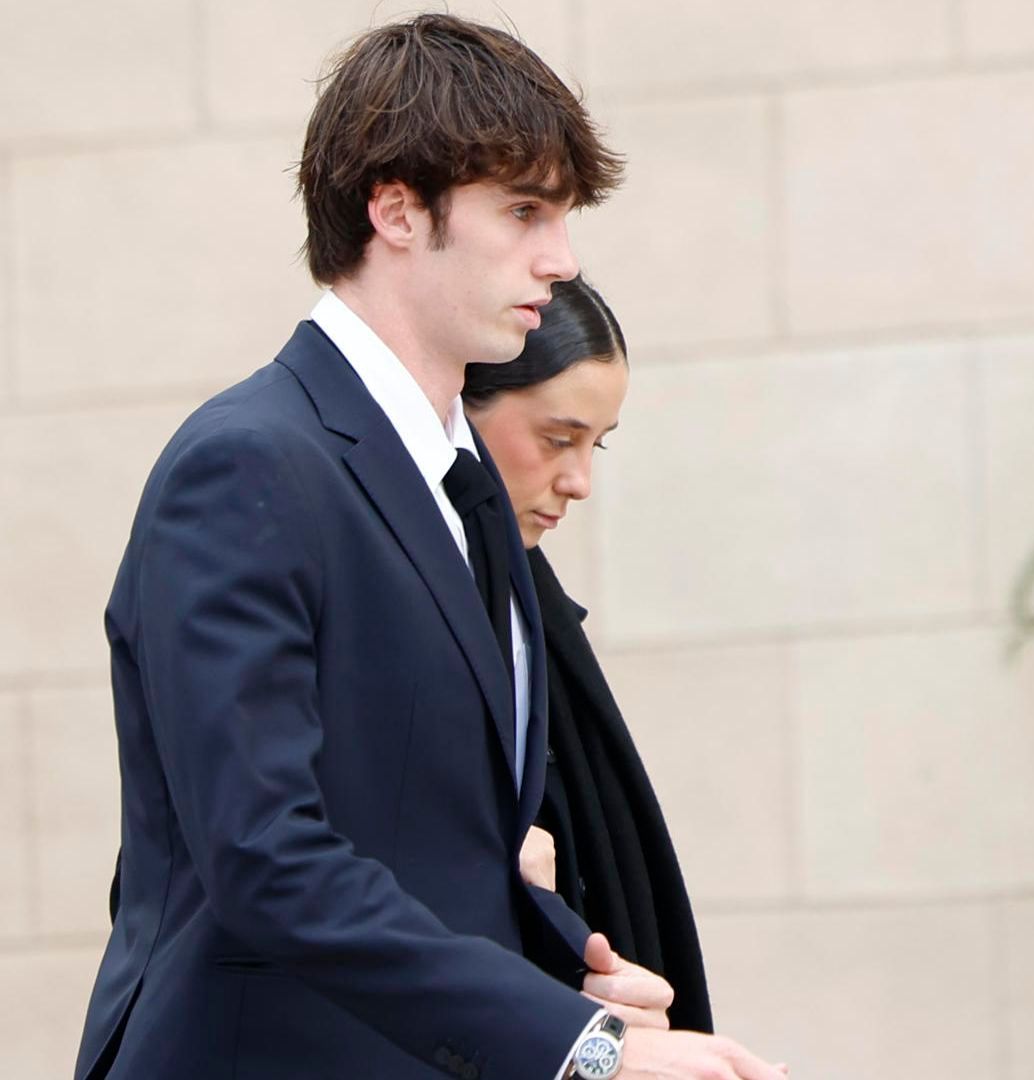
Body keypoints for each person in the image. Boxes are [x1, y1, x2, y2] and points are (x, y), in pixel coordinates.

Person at [74, 15, 780, 1080]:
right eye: (526, 211)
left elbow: (427, 848)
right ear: (396, 210)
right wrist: (579, 1050)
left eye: (565, 216)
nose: (563, 258)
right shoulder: (247, 465)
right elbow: (265, 860)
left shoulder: (463, 485)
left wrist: (565, 973)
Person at [464, 276, 716, 1033]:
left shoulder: (523, 597)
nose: (578, 482)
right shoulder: (438, 587)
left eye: (594, 444)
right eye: (557, 438)